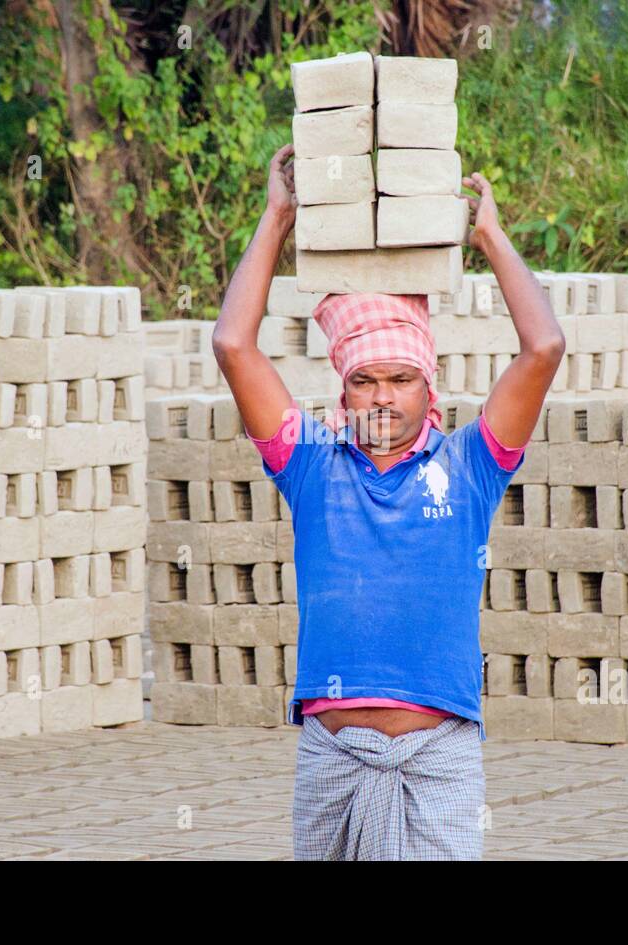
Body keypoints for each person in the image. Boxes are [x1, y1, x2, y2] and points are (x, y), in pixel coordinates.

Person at [212, 143, 565, 860]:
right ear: (342, 390)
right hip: (332, 763)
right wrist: (277, 219)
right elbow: (232, 344)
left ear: (428, 388)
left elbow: (544, 347)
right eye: (366, 379)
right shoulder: (311, 467)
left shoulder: (470, 466)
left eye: (400, 379)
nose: (382, 396)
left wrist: (490, 237)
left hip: (438, 761)